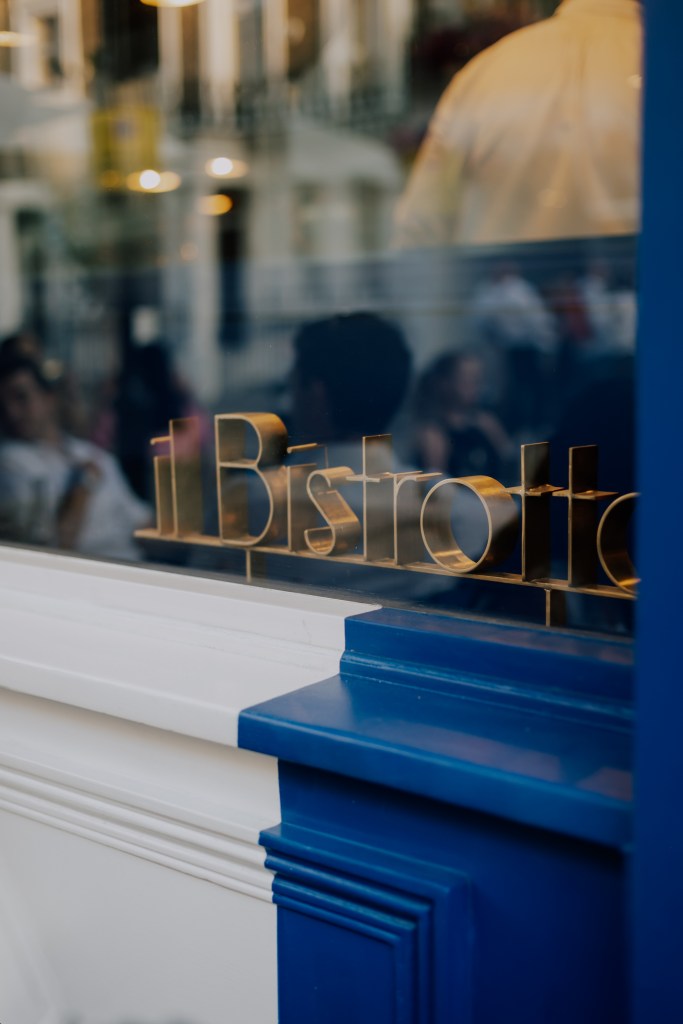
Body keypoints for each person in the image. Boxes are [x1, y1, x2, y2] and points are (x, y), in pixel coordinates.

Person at [394, 0, 642, 248]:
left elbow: (422, 229)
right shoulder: (665, 65)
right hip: (641, 281)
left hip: (497, 280)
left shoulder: (485, 72)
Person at [0, 356, 150, 560]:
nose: (11, 411)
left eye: (21, 397)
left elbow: (142, 523)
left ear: (49, 398)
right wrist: (84, 484)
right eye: (4, 403)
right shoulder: (11, 462)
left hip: (139, 567)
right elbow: (55, 546)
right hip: (86, 577)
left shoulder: (93, 454)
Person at [414, 351, 514, 481]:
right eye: (467, 379)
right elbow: (437, 487)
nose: (476, 386)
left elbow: (510, 461)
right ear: (445, 383)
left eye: (478, 380)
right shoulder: (434, 434)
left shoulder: (486, 422)